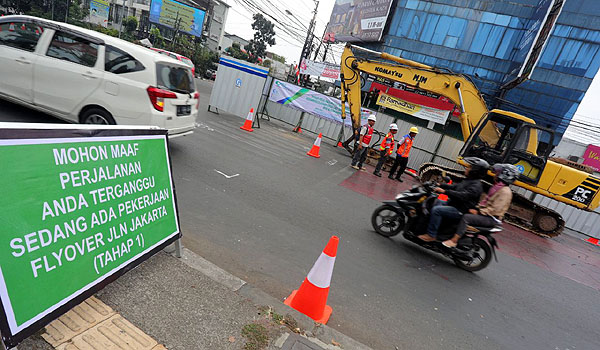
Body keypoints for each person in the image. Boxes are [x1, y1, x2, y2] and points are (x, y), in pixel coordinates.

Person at [442, 164, 518, 248]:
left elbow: (495, 209)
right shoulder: (498, 187)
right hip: (487, 215)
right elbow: (485, 202)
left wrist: (478, 211)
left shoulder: (505, 191)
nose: (495, 174)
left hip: (491, 218)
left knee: (466, 217)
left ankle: (454, 240)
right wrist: (476, 208)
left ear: (504, 175)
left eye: (498, 173)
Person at [417, 157, 489, 242]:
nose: (466, 168)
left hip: (460, 209)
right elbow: (456, 187)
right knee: (437, 201)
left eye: (469, 167)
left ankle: (431, 234)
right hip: (455, 204)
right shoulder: (469, 180)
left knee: (437, 210)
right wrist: (441, 185)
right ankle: (436, 227)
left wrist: (445, 191)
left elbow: (463, 195)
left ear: (475, 171)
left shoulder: (476, 185)